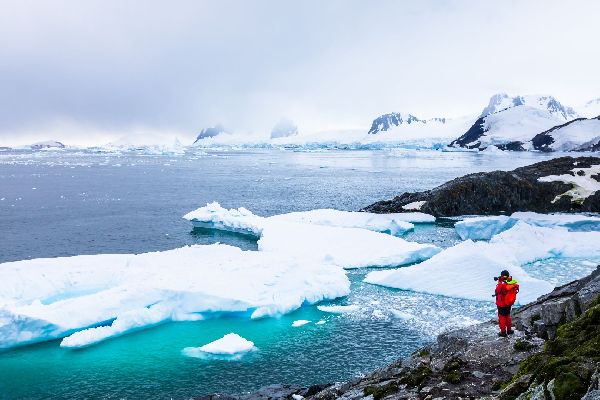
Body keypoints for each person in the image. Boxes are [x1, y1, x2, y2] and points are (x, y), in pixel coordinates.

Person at [495, 269, 519, 337]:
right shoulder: (511, 282)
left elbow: (497, 291)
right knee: (507, 316)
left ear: (502, 276)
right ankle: (509, 330)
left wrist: (499, 281)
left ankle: (503, 332)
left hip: (501, 304)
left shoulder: (501, 284)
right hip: (508, 303)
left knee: (502, 317)